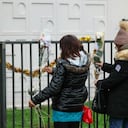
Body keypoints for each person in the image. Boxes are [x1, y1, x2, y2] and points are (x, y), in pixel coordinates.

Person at [29, 34, 91, 128]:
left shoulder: (63, 63)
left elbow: (54, 87)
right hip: (77, 103)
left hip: (63, 106)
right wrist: (55, 71)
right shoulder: (84, 61)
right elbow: (72, 77)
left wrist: (35, 99)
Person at [95, 19, 128, 128]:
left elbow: (114, 79)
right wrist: (104, 66)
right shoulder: (123, 64)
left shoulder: (123, 61)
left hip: (120, 105)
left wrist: (99, 83)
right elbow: (119, 71)